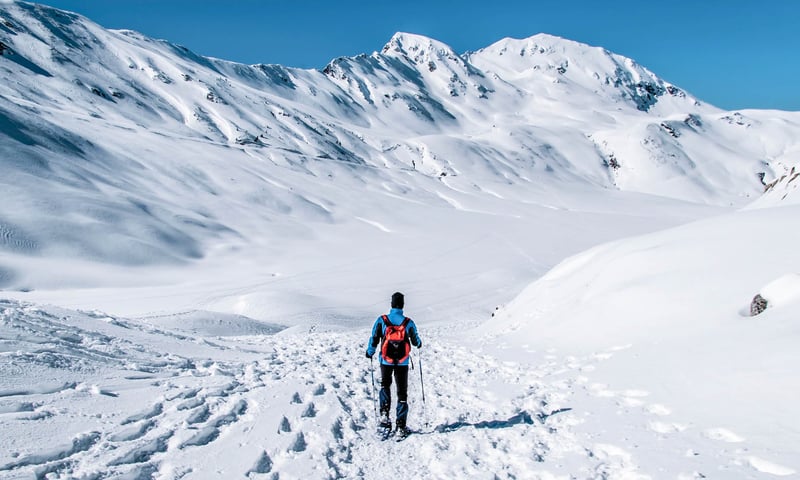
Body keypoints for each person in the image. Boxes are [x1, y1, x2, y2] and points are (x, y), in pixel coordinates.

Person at [365, 291, 422, 435]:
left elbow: (374, 337)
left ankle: (384, 416)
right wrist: (419, 343)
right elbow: (416, 341)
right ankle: (401, 426)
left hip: (386, 360)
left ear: (391, 304)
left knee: (385, 385)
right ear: (402, 305)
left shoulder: (382, 320)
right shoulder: (408, 322)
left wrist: (370, 352)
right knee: (402, 392)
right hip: (402, 362)